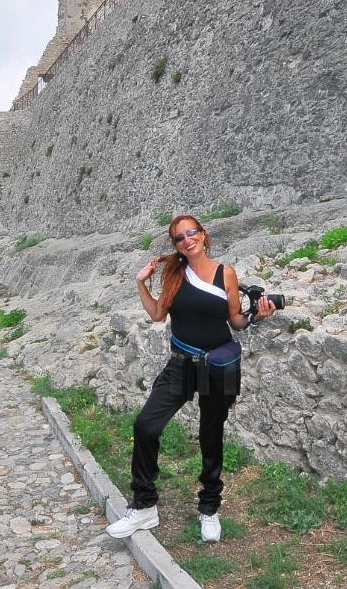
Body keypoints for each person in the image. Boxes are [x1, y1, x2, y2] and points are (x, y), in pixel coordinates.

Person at [106, 213, 275, 543]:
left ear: (203, 234)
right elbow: (157, 314)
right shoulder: (173, 273)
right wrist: (141, 282)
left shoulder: (225, 273)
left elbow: (236, 321)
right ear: (176, 245)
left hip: (218, 365)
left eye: (191, 233)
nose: (187, 240)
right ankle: (144, 507)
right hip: (181, 364)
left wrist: (257, 314)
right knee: (146, 425)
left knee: (211, 437)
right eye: (179, 238)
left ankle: (209, 508)